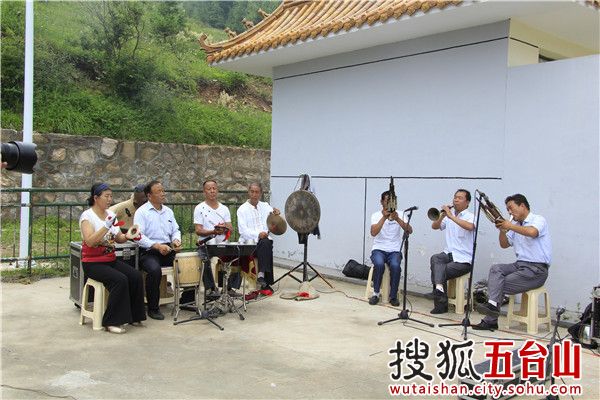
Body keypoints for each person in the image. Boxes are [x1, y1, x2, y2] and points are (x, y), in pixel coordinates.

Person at [473, 194, 552, 331]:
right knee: (496, 269)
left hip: (537, 270)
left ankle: (490, 318)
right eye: (507, 209)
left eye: (511, 208)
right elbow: (504, 244)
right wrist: (503, 231)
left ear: (522, 206)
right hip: (519, 265)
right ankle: (492, 308)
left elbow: (532, 232)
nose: (509, 212)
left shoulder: (538, 219)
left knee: (497, 284)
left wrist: (510, 225)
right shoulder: (515, 225)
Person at [79, 183, 146, 333]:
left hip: (110, 260)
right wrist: (106, 226)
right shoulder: (87, 216)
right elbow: (90, 241)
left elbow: (118, 238)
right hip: (93, 263)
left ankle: (134, 316)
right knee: (119, 280)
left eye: (111, 196)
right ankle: (111, 321)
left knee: (135, 276)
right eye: (106, 196)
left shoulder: (110, 214)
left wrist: (128, 235)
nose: (110, 199)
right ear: (96, 198)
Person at [134, 180, 182, 320]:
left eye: (163, 190)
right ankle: (153, 308)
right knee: (154, 270)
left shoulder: (168, 211)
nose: (163, 194)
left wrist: (176, 240)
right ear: (149, 196)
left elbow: (176, 230)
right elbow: (138, 236)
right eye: (159, 191)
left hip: (168, 248)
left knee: (189, 261)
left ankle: (187, 300)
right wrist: (156, 246)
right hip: (149, 251)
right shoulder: (142, 212)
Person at [429, 189, 475, 314]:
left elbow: (470, 227)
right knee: (435, 259)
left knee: (439, 269)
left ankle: (440, 303)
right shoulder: (449, 215)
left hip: (464, 260)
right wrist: (442, 216)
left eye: (460, 198)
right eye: (455, 197)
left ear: (467, 202)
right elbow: (434, 226)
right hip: (448, 254)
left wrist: (451, 216)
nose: (456, 199)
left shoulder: (471, 217)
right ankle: (439, 289)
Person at [193, 180, 240, 297]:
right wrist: (213, 231)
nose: (212, 191)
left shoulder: (224, 208)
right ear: (204, 192)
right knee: (204, 257)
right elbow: (198, 230)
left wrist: (225, 228)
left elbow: (230, 228)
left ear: (217, 190)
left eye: (214, 188)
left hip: (223, 244)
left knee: (237, 255)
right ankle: (211, 288)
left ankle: (228, 287)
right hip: (207, 244)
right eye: (209, 189)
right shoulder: (199, 208)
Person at [369, 190, 413, 306]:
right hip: (379, 248)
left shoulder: (401, 213)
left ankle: (393, 296)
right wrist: (384, 217)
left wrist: (398, 219)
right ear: (381, 202)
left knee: (395, 266)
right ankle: (376, 294)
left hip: (394, 250)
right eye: (387, 200)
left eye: (392, 201)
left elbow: (410, 231)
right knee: (378, 264)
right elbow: (373, 233)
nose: (389, 203)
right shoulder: (376, 215)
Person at [237, 182, 281, 291]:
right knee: (265, 242)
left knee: (266, 242)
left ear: (260, 193)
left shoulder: (265, 206)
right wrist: (258, 234)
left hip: (263, 242)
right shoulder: (242, 209)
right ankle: (263, 279)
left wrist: (276, 212)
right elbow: (243, 231)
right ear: (249, 192)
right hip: (249, 243)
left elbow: (274, 213)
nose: (254, 194)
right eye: (252, 192)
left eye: (257, 192)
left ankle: (261, 277)